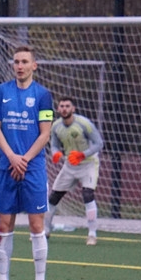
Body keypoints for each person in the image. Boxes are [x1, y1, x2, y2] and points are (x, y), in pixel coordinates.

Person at [0, 45, 54, 280]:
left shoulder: (43, 95)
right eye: (16, 61)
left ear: (33, 66)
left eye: (25, 61)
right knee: (4, 225)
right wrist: (12, 157)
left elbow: (45, 134)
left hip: (33, 168)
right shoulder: (2, 92)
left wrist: (23, 159)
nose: (20, 66)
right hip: (8, 166)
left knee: (36, 226)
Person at [45, 96, 104, 246]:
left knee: (88, 195)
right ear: (58, 109)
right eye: (62, 106)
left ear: (73, 108)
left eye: (67, 106)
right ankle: (45, 231)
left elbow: (99, 143)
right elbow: (54, 145)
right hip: (69, 166)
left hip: (88, 164)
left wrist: (82, 155)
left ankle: (92, 234)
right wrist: (56, 153)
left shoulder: (84, 124)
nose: (64, 109)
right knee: (53, 197)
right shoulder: (56, 126)